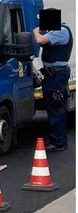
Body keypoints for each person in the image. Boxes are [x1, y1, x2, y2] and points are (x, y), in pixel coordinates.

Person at [33, 19, 73, 152]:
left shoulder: (61, 31)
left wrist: (35, 31)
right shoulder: (55, 31)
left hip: (57, 74)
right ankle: (54, 137)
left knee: (56, 107)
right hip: (52, 74)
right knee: (51, 106)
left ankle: (59, 141)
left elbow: (40, 40)